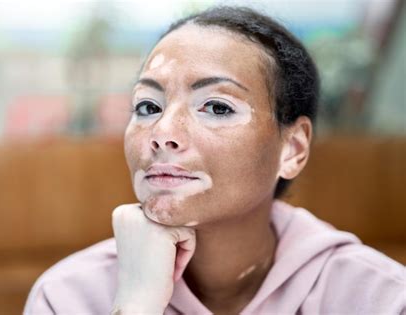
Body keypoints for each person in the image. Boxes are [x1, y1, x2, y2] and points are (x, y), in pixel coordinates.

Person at [24, 6, 405, 314]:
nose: (162, 132)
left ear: (293, 149)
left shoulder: (379, 298)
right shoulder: (67, 297)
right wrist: (137, 304)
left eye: (217, 107)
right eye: (148, 106)